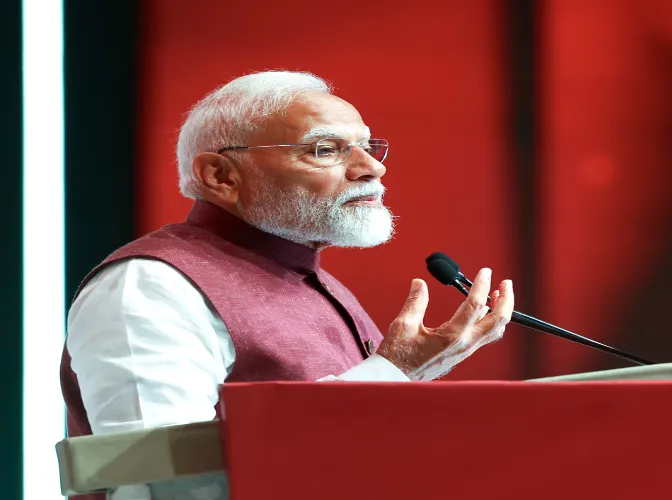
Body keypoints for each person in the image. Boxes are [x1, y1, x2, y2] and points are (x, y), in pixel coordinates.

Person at [60, 70, 514, 499]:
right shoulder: (150, 286)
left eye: (367, 147)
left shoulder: (311, 278)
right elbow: (159, 483)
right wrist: (396, 370)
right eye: (324, 150)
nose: (371, 168)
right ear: (220, 176)